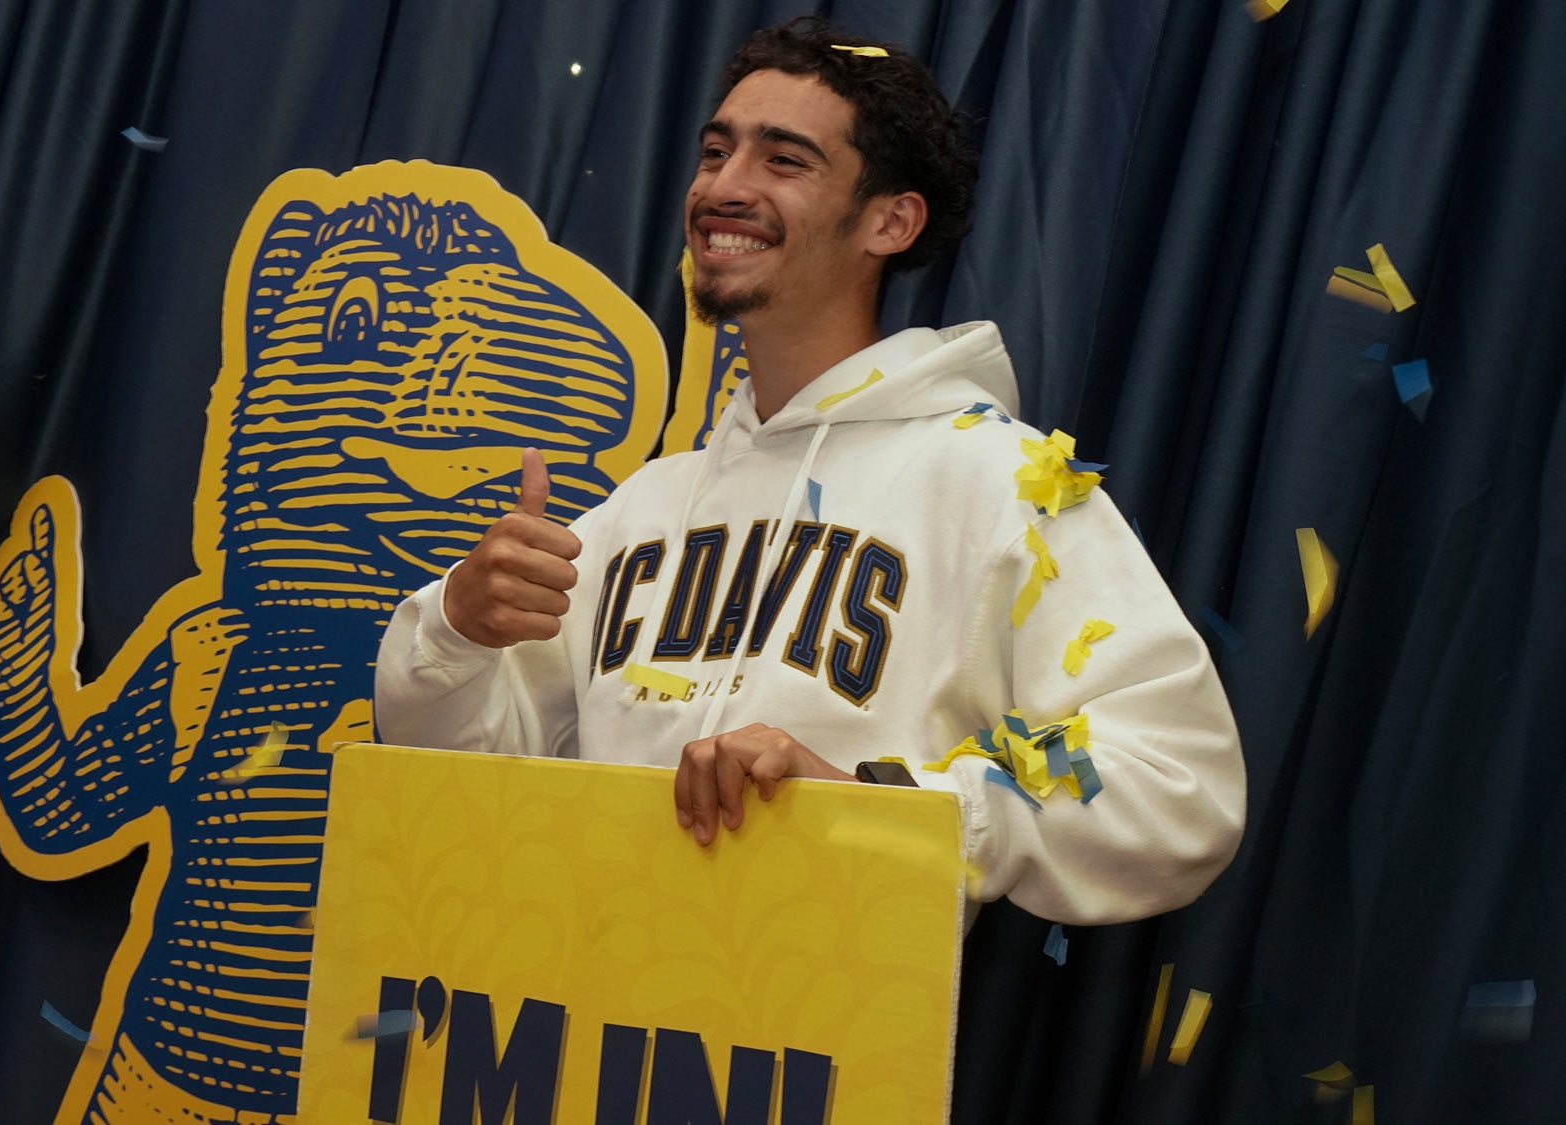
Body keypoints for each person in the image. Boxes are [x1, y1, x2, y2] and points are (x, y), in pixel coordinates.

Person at [374, 15, 1243, 926]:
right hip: (586, 1024)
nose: (724, 187)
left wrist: (878, 803)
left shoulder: (999, 484)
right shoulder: (647, 507)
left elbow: (1179, 788)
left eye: (783, 160)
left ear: (890, 220)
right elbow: (464, 771)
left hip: (823, 1047)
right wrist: (458, 629)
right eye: (716, 151)